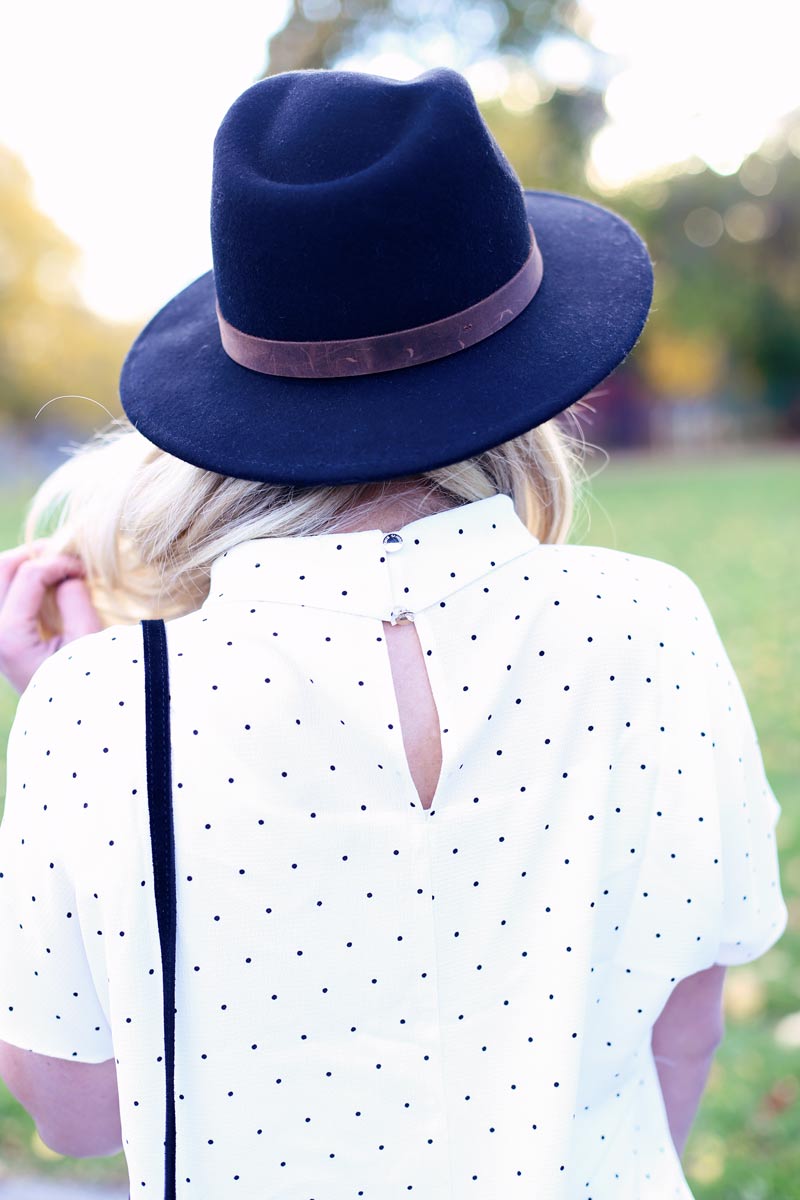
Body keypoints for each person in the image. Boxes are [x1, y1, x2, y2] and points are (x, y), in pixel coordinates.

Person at [0, 67, 787, 1199]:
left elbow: (72, 1111)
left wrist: (91, 736)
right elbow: (686, 1021)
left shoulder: (100, 708)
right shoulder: (646, 624)